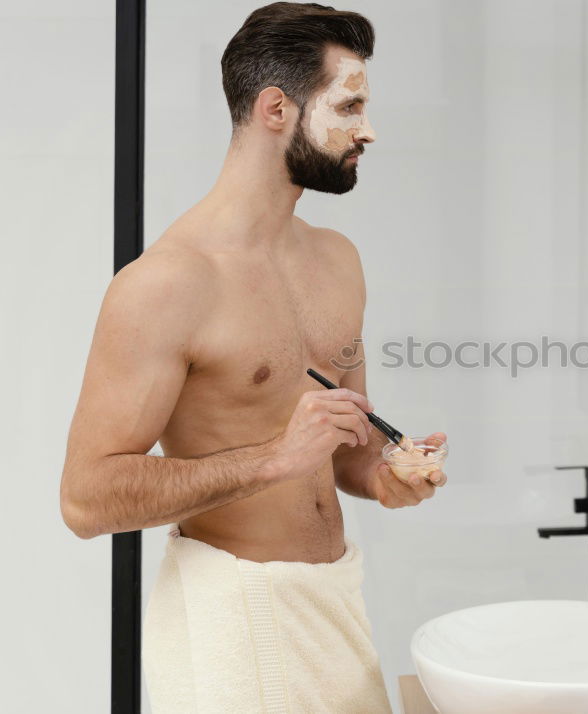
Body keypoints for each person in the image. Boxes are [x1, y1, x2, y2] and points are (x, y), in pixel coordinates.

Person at [59, 4, 441, 711]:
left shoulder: (338, 261)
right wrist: (273, 459)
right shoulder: (167, 285)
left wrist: (387, 474)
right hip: (231, 617)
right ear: (275, 109)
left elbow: (347, 445)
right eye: (350, 104)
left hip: (334, 605)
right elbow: (85, 499)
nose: (369, 129)